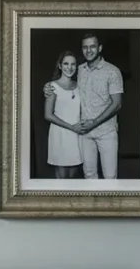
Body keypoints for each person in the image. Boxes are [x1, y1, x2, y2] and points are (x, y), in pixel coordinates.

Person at [44, 33, 123, 179]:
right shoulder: (79, 70)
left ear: (99, 48)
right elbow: (63, 81)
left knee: (110, 177)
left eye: (92, 46)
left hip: (106, 132)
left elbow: (117, 104)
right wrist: (47, 87)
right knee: (89, 175)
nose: (89, 50)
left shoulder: (112, 71)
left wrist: (95, 122)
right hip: (85, 134)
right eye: (85, 47)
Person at [44, 51, 83, 178]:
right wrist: (72, 127)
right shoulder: (52, 86)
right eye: (66, 63)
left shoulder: (79, 86)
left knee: (73, 177)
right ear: (60, 66)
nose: (69, 67)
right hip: (60, 135)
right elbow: (48, 115)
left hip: (77, 135)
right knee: (61, 180)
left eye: (73, 64)